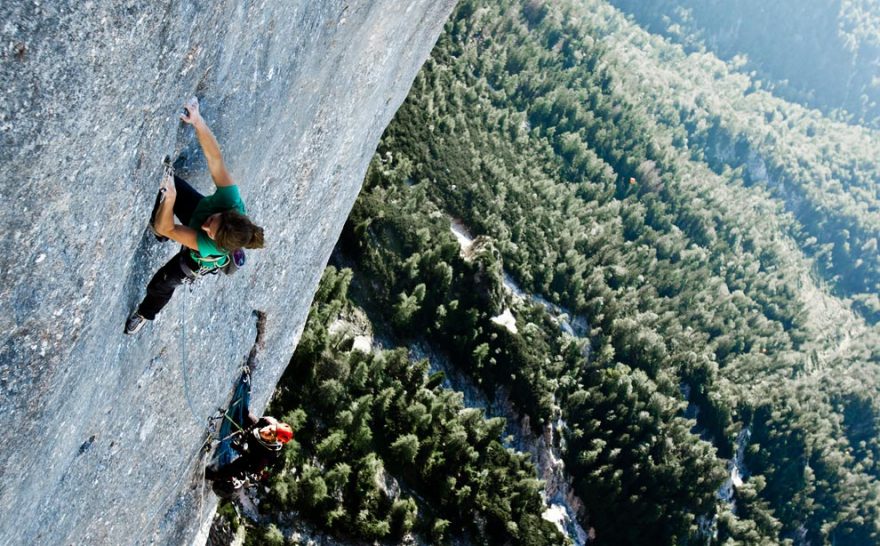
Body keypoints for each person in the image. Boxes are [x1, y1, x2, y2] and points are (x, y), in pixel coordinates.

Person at [125, 97, 264, 335]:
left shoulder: (208, 244)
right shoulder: (231, 199)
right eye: (213, 222)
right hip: (199, 210)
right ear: (226, 212)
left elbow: (170, 228)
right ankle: (159, 230)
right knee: (166, 184)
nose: (206, 227)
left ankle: (144, 314)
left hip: (196, 257)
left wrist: (171, 198)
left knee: (162, 283)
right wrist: (198, 121)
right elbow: (215, 159)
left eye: (211, 232)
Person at [205, 413, 293, 494]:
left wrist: (240, 449)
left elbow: (251, 462)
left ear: (274, 441)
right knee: (244, 415)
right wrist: (243, 435)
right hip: (252, 437)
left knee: (238, 466)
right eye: (270, 429)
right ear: (272, 425)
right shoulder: (267, 421)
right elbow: (254, 425)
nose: (266, 432)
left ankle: (214, 476)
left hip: (252, 457)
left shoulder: (266, 456)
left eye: (270, 434)